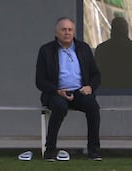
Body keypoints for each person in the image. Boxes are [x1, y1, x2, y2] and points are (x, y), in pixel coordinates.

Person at [35, 17, 102, 161]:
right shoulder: (46, 50)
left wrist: (90, 87)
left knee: (93, 106)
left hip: (79, 92)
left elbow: (96, 75)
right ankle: (50, 151)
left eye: (70, 30)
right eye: (63, 30)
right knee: (59, 107)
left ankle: (94, 151)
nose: (67, 33)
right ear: (56, 32)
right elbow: (40, 81)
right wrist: (57, 91)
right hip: (55, 92)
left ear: (74, 32)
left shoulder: (83, 49)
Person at [94, 17, 132, 90]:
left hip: (106, 90)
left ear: (112, 30)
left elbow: (94, 74)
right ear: (127, 30)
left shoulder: (102, 48)